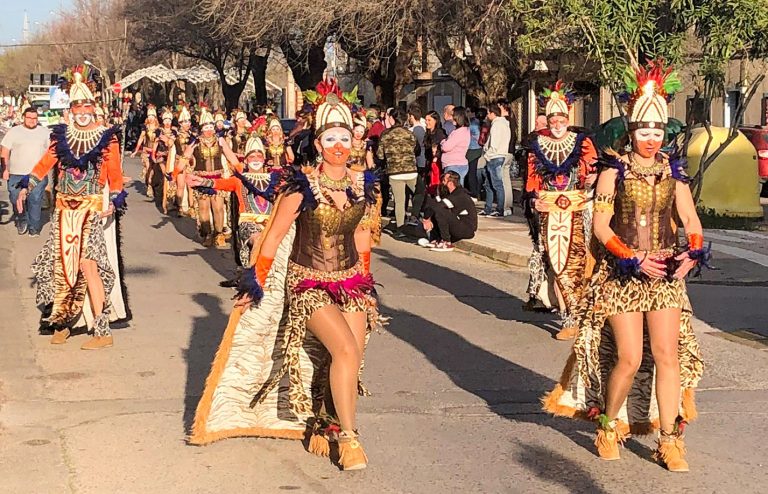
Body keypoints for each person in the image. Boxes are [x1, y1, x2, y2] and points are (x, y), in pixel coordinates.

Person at [190, 79, 382, 472]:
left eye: (345, 137)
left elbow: (362, 241)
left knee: (351, 356)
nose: (340, 146)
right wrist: (254, 282)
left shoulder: (363, 186)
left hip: (350, 281)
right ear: (318, 143)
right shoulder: (302, 186)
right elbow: (274, 237)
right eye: (331, 138)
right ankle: (349, 438)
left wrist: (366, 285)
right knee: (343, 349)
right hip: (307, 279)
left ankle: (324, 425)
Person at [542, 60, 706, 472]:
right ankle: (608, 423)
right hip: (624, 277)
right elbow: (600, 225)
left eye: (657, 129)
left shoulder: (674, 171)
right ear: (630, 131)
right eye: (643, 129)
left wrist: (692, 253)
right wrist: (632, 257)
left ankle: (669, 441)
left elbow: (690, 221)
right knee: (630, 358)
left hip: (666, 276)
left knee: (668, 355)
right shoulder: (613, 172)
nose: (651, 137)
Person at [14, 69, 129, 349]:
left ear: (94, 107)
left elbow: (115, 173)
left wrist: (113, 201)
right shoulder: (62, 136)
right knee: (64, 267)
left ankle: (102, 332)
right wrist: (26, 186)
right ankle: (64, 321)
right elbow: (45, 164)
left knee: (90, 267)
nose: (81, 110)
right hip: (64, 210)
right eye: (76, 106)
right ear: (71, 109)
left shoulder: (107, 137)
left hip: (91, 209)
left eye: (86, 105)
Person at [525, 81, 598, 340]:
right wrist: (534, 200)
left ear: (569, 118)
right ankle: (568, 314)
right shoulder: (538, 144)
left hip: (577, 210)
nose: (557, 124)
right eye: (553, 119)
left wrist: (593, 179)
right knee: (556, 263)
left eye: (561, 119)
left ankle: (578, 315)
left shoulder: (583, 142)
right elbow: (532, 181)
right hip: (548, 211)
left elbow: (594, 169)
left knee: (576, 263)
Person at [178, 106, 229, 248]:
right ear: (201, 128)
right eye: (205, 127)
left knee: (218, 208)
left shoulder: (220, 141)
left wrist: (240, 170)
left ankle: (219, 234)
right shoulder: (195, 142)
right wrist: (175, 172)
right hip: (200, 180)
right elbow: (185, 157)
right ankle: (207, 233)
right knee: (204, 209)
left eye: (211, 126)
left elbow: (231, 157)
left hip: (217, 180)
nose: (209, 130)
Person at [1, 107, 52, 236]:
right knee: (15, 198)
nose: (32, 121)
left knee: (35, 199)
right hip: (16, 174)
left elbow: (51, 152)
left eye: (34, 118)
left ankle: (34, 228)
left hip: (37, 174)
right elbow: (5, 151)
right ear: (23, 117)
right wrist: (5, 169)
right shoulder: (14, 132)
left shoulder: (45, 132)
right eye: (29, 118)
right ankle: (22, 219)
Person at [376, 108, 420, 238]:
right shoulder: (410, 134)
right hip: (411, 170)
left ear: (392, 119)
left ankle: (400, 229)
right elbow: (417, 151)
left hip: (395, 172)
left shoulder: (385, 134)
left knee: (399, 202)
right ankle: (421, 220)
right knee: (418, 196)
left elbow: (380, 155)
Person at [418, 170, 478, 251]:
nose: (442, 183)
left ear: (450, 183)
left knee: (440, 211)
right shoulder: (449, 194)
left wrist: (426, 219)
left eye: (444, 181)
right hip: (457, 224)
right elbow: (433, 204)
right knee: (434, 209)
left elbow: (439, 207)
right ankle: (434, 240)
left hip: (466, 229)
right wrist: (426, 217)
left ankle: (446, 242)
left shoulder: (460, 195)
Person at [480, 104, 510, 216]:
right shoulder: (503, 125)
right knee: (488, 184)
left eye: (488, 113)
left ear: (493, 113)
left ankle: (499, 209)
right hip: (497, 155)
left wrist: (487, 155)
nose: (487, 115)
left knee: (497, 184)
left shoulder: (498, 125)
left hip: (495, 156)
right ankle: (488, 208)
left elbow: (494, 144)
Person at [172, 103, 196, 217]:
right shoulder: (175, 134)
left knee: (191, 186)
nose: (188, 124)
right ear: (181, 123)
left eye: (189, 121)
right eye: (185, 122)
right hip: (179, 161)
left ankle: (191, 207)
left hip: (190, 163)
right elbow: (170, 144)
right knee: (180, 185)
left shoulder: (192, 135)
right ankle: (179, 207)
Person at [153, 108, 178, 213]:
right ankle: (165, 203)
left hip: (172, 157)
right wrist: (153, 155)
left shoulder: (174, 132)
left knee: (172, 179)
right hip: (161, 157)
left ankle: (171, 200)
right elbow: (155, 144)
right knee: (166, 176)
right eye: (165, 120)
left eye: (169, 120)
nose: (167, 123)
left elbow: (173, 144)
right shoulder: (159, 131)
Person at [131, 104, 159, 198]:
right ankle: (149, 186)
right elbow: (141, 138)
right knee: (148, 169)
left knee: (153, 171)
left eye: (152, 116)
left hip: (155, 152)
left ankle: (153, 185)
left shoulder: (158, 129)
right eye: (149, 116)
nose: (150, 118)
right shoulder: (145, 127)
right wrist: (136, 150)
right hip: (146, 152)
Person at [440, 106, 471, 183]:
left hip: (454, 165)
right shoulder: (464, 130)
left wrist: (443, 142)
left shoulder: (459, 132)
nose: (452, 118)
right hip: (456, 164)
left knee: (453, 189)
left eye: (453, 115)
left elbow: (446, 147)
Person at [466, 107, 486, 199]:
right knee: (478, 172)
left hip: (472, 149)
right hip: (480, 149)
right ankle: (478, 192)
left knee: (471, 173)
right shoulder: (484, 124)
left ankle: (473, 192)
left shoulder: (473, 124)